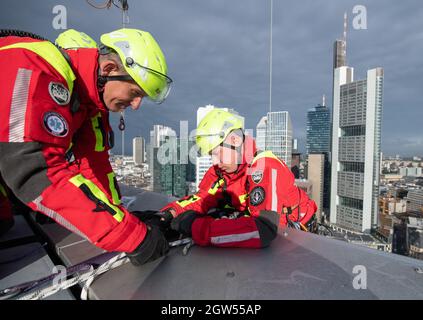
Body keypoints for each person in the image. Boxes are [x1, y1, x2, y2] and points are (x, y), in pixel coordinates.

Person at [0, 28, 172, 266]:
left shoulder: (89, 100)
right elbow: (35, 170)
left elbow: (94, 162)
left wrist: (122, 217)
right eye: (134, 93)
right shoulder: (34, 64)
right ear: (109, 69)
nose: (135, 105)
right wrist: (132, 237)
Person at [158, 108, 318, 248]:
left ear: (235, 141)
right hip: (262, 230)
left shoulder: (265, 166)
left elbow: (264, 229)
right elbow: (202, 199)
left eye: (216, 153)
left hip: (297, 237)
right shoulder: (223, 171)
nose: (214, 162)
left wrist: (196, 228)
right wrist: (168, 214)